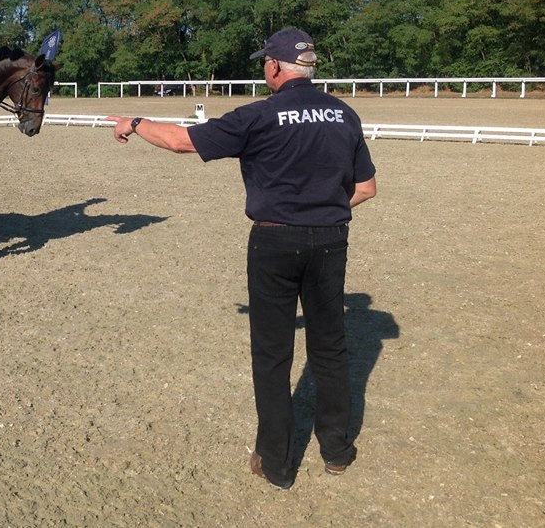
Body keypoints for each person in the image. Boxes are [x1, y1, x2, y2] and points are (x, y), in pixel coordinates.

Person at [106, 28, 377, 490]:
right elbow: (367, 188)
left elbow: (180, 141)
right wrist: (320, 207)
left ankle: (276, 462)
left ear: (274, 67)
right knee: (330, 348)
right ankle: (337, 451)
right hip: (331, 240)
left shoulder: (260, 114)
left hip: (274, 242)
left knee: (272, 355)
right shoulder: (344, 115)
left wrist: (135, 122)